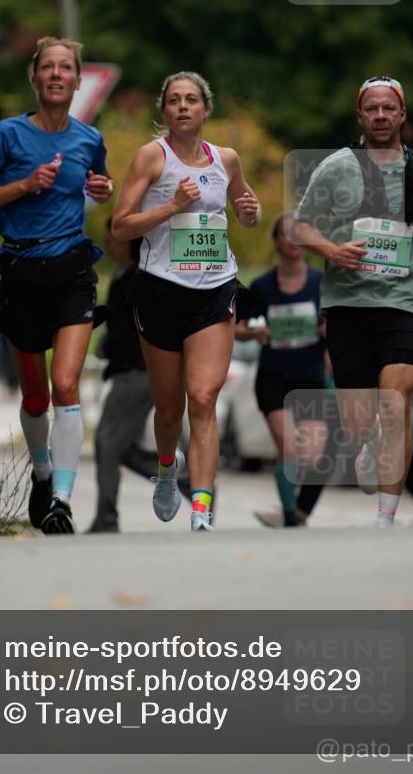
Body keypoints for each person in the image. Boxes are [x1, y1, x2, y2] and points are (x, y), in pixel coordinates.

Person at [0, 37, 113, 535]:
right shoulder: (5, 136)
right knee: (35, 399)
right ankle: (42, 472)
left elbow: (98, 182)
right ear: (34, 78)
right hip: (22, 272)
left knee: (66, 384)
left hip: (72, 271)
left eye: (65, 68)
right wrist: (24, 186)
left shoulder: (89, 138)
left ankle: (62, 502)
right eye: (47, 67)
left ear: (77, 80)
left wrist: (103, 188)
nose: (56, 75)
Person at [293, 75, 413, 527]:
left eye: (389, 108)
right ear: (360, 116)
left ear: (403, 115)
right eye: (372, 109)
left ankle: (386, 517)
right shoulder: (335, 167)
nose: (381, 116)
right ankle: (367, 443)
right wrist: (331, 251)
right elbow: (301, 225)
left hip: (405, 301)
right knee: (358, 423)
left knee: (396, 402)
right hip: (348, 303)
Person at [112, 71, 261, 532]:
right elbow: (120, 226)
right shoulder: (151, 157)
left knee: (203, 397)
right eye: (174, 100)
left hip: (215, 288)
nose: (182, 107)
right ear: (164, 109)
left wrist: (250, 212)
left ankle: (201, 506)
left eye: (191, 99)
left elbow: (244, 211)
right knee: (169, 408)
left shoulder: (226, 159)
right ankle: (165, 467)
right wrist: (172, 206)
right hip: (160, 290)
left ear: (205, 109)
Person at [87, 219, 192, 534]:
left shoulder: (134, 277)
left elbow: (128, 328)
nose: (108, 245)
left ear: (129, 239)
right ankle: (185, 480)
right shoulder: (135, 274)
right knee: (122, 446)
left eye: (112, 238)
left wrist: (105, 346)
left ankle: (107, 517)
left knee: (107, 441)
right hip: (139, 370)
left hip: (135, 370)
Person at [235, 213, 327, 526]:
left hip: (311, 377)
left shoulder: (321, 283)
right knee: (289, 450)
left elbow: (344, 322)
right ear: (276, 242)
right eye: (287, 234)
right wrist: (253, 332)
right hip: (274, 378)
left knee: (312, 458)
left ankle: (294, 511)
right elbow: (237, 328)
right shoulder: (262, 287)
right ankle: (291, 519)